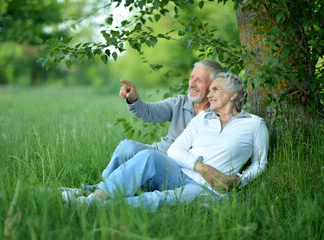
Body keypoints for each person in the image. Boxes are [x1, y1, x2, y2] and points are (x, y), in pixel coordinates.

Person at [62, 73, 269, 211]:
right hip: (180, 172)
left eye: (216, 89)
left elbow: (260, 163)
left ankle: (97, 207)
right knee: (147, 156)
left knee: (157, 200)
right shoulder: (202, 119)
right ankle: (91, 200)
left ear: (232, 95)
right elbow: (175, 150)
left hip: (209, 190)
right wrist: (201, 167)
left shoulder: (254, 124)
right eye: (210, 89)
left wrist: (241, 180)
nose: (209, 94)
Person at [75, 60, 226, 193]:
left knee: (148, 158)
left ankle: (100, 192)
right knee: (126, 147)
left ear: (214, 86)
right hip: (160, 152)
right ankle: (102, 188)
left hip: (180, 167)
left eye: (199, 79)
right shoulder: (179, 103)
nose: (192, 83)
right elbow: (148, 112)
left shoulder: (219, 116)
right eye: (192, 77)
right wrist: (134, 100)